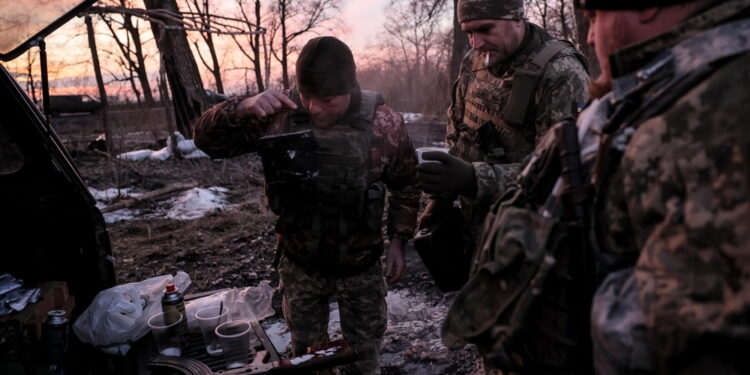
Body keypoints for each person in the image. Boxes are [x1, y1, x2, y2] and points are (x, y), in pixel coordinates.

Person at [444, 0, 750, 374]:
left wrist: (477, 179)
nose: (589, 35)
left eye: (593, 17)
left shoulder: (709, 114)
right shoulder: (656, 88)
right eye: (469, 32)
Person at [193, 36, 420, 375]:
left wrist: (399, 241)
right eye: (308, 96)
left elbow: (407, 185)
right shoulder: (279, 112)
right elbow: (206, 141)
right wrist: (241, 108)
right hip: (300, 265)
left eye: (327, 99)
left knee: (363, 357)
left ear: (349, 88)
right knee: (307, 359)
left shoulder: (384, 124)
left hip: (360, 266)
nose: (314, 107)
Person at [415, 0, 590, 288]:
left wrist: (474, 179)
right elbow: (458, 126)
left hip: (531, 245)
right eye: (468, 32)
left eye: (485, 29)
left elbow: (562, 174)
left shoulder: (561, 74)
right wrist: (442, 195)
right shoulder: (473, 60)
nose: (476, 42)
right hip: (477, 235)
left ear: (517, 18)